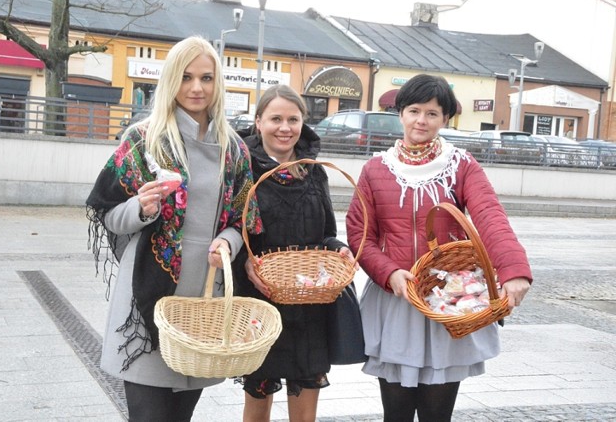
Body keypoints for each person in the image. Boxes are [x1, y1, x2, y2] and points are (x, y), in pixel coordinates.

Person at [86, 36, 261, 421]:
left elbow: (243, 222)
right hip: (147, 298)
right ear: (170, 81)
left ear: (219, 84)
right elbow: (108, 213)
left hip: (202, 303)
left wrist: (228, 243)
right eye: (185, 77)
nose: (196, 87)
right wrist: (141, 208)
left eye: (206, 78)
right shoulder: (143, 140)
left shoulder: (235, 150)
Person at [345, 74, 532, 422]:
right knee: (396, 413)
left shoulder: (460, 164)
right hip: (396, 302)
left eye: (432, 113)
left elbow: (489, 214)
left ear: (445, 118)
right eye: (414, 110)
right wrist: (389, 273)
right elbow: (360, 235)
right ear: (400, 113)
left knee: (437, 414)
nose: (421, 121)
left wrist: (514, 270)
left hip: (450, 300)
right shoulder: (375, 169)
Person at [232, 84, 356, 422]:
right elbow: (230, 226)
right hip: (261, 297)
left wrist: (340, 249)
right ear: (258, 122)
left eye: (293, 119)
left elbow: (326, 234)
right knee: (258, 393)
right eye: (275, 119)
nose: (285, 128)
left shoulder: (314, 170)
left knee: (305, 398)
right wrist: (245, 262)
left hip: (308, 297)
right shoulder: (242, 168)